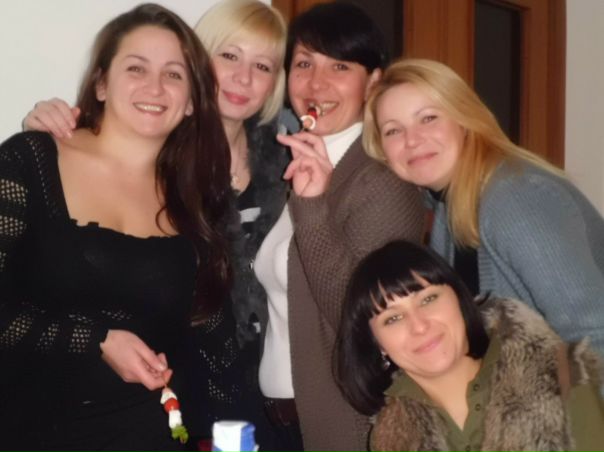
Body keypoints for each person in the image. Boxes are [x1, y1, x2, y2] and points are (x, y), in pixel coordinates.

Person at [22, 1, 289, 447]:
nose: (155, 87)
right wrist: (96, 339)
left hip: (180, 419)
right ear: (101, 82)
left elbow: (213, 326)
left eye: (173, 74)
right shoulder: (40, 158)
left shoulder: (211, 183)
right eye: (136, 68)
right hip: (45, 422)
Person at [252, 3, 425, 451]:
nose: (316, 83)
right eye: (304, 64)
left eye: (340, 66)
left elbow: (367, 320)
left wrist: (313, 207)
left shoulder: (380, 180)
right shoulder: (299, 164)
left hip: (341, 424)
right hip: (276, 421)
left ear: (373, 82)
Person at [363, 58, 604, 359]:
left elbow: (595, 335)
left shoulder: (514, 198)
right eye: (393, 131)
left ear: (464, 120)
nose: (412, 140)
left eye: (428, 118)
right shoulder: (448, 202)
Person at [335, 240, 604, 452]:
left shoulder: (558, 375)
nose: (419, 325)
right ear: (378, 345)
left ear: (460, 301)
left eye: (428, 299)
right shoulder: (389, 440)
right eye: (393, 318)